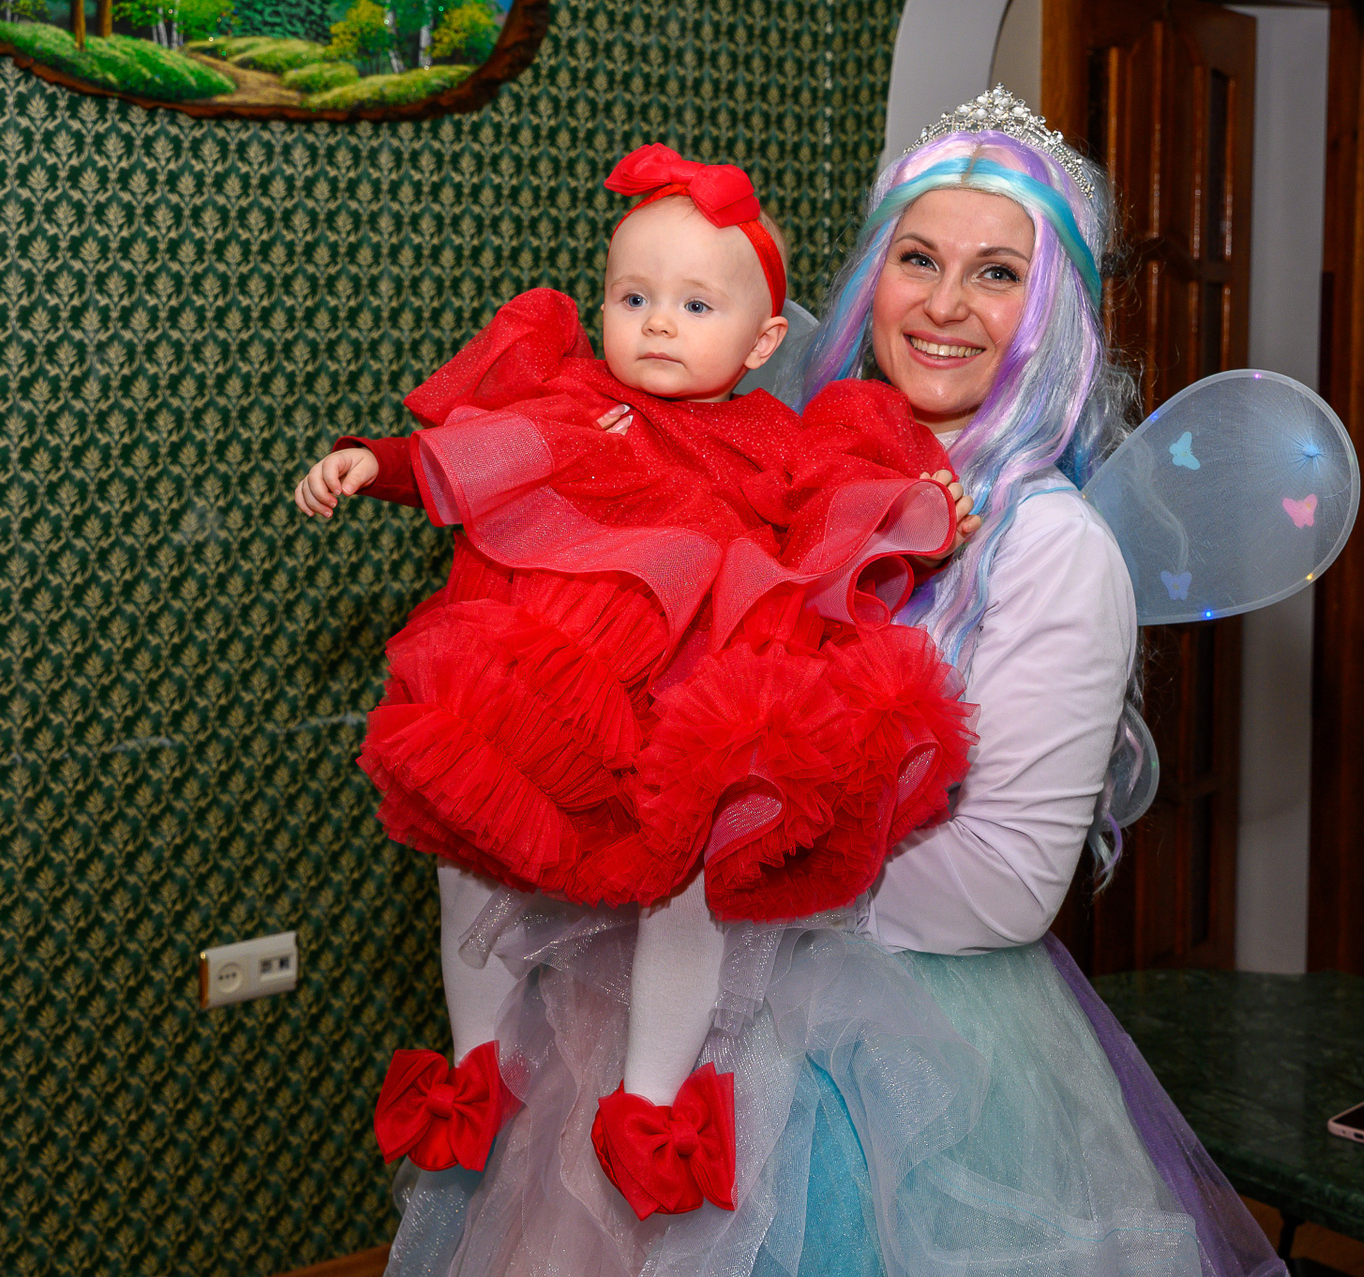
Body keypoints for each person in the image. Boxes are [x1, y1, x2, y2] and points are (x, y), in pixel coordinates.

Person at [374, 90, 1286, 1277]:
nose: (946, 304)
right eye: (919, 258)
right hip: (660, 1021)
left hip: (896, 1074)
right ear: (872, 278)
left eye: (997, 273)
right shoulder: (767, 460)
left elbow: (1010, 888)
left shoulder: (1055, 548)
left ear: (1053, 315)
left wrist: (726, 862)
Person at [296, 145, 984, 1215]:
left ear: (762, 340)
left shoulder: (771, 436)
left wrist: (927, 516)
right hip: (556, 693)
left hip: (677, 715)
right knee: (462, 844)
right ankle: (476, 1061)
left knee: (686, 887)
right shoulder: (577, 398)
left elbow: (842, 521)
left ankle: (650, 1103)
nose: (658, 323)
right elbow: (468, 458)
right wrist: (372, 463)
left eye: (695, 304)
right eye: (633, 297)